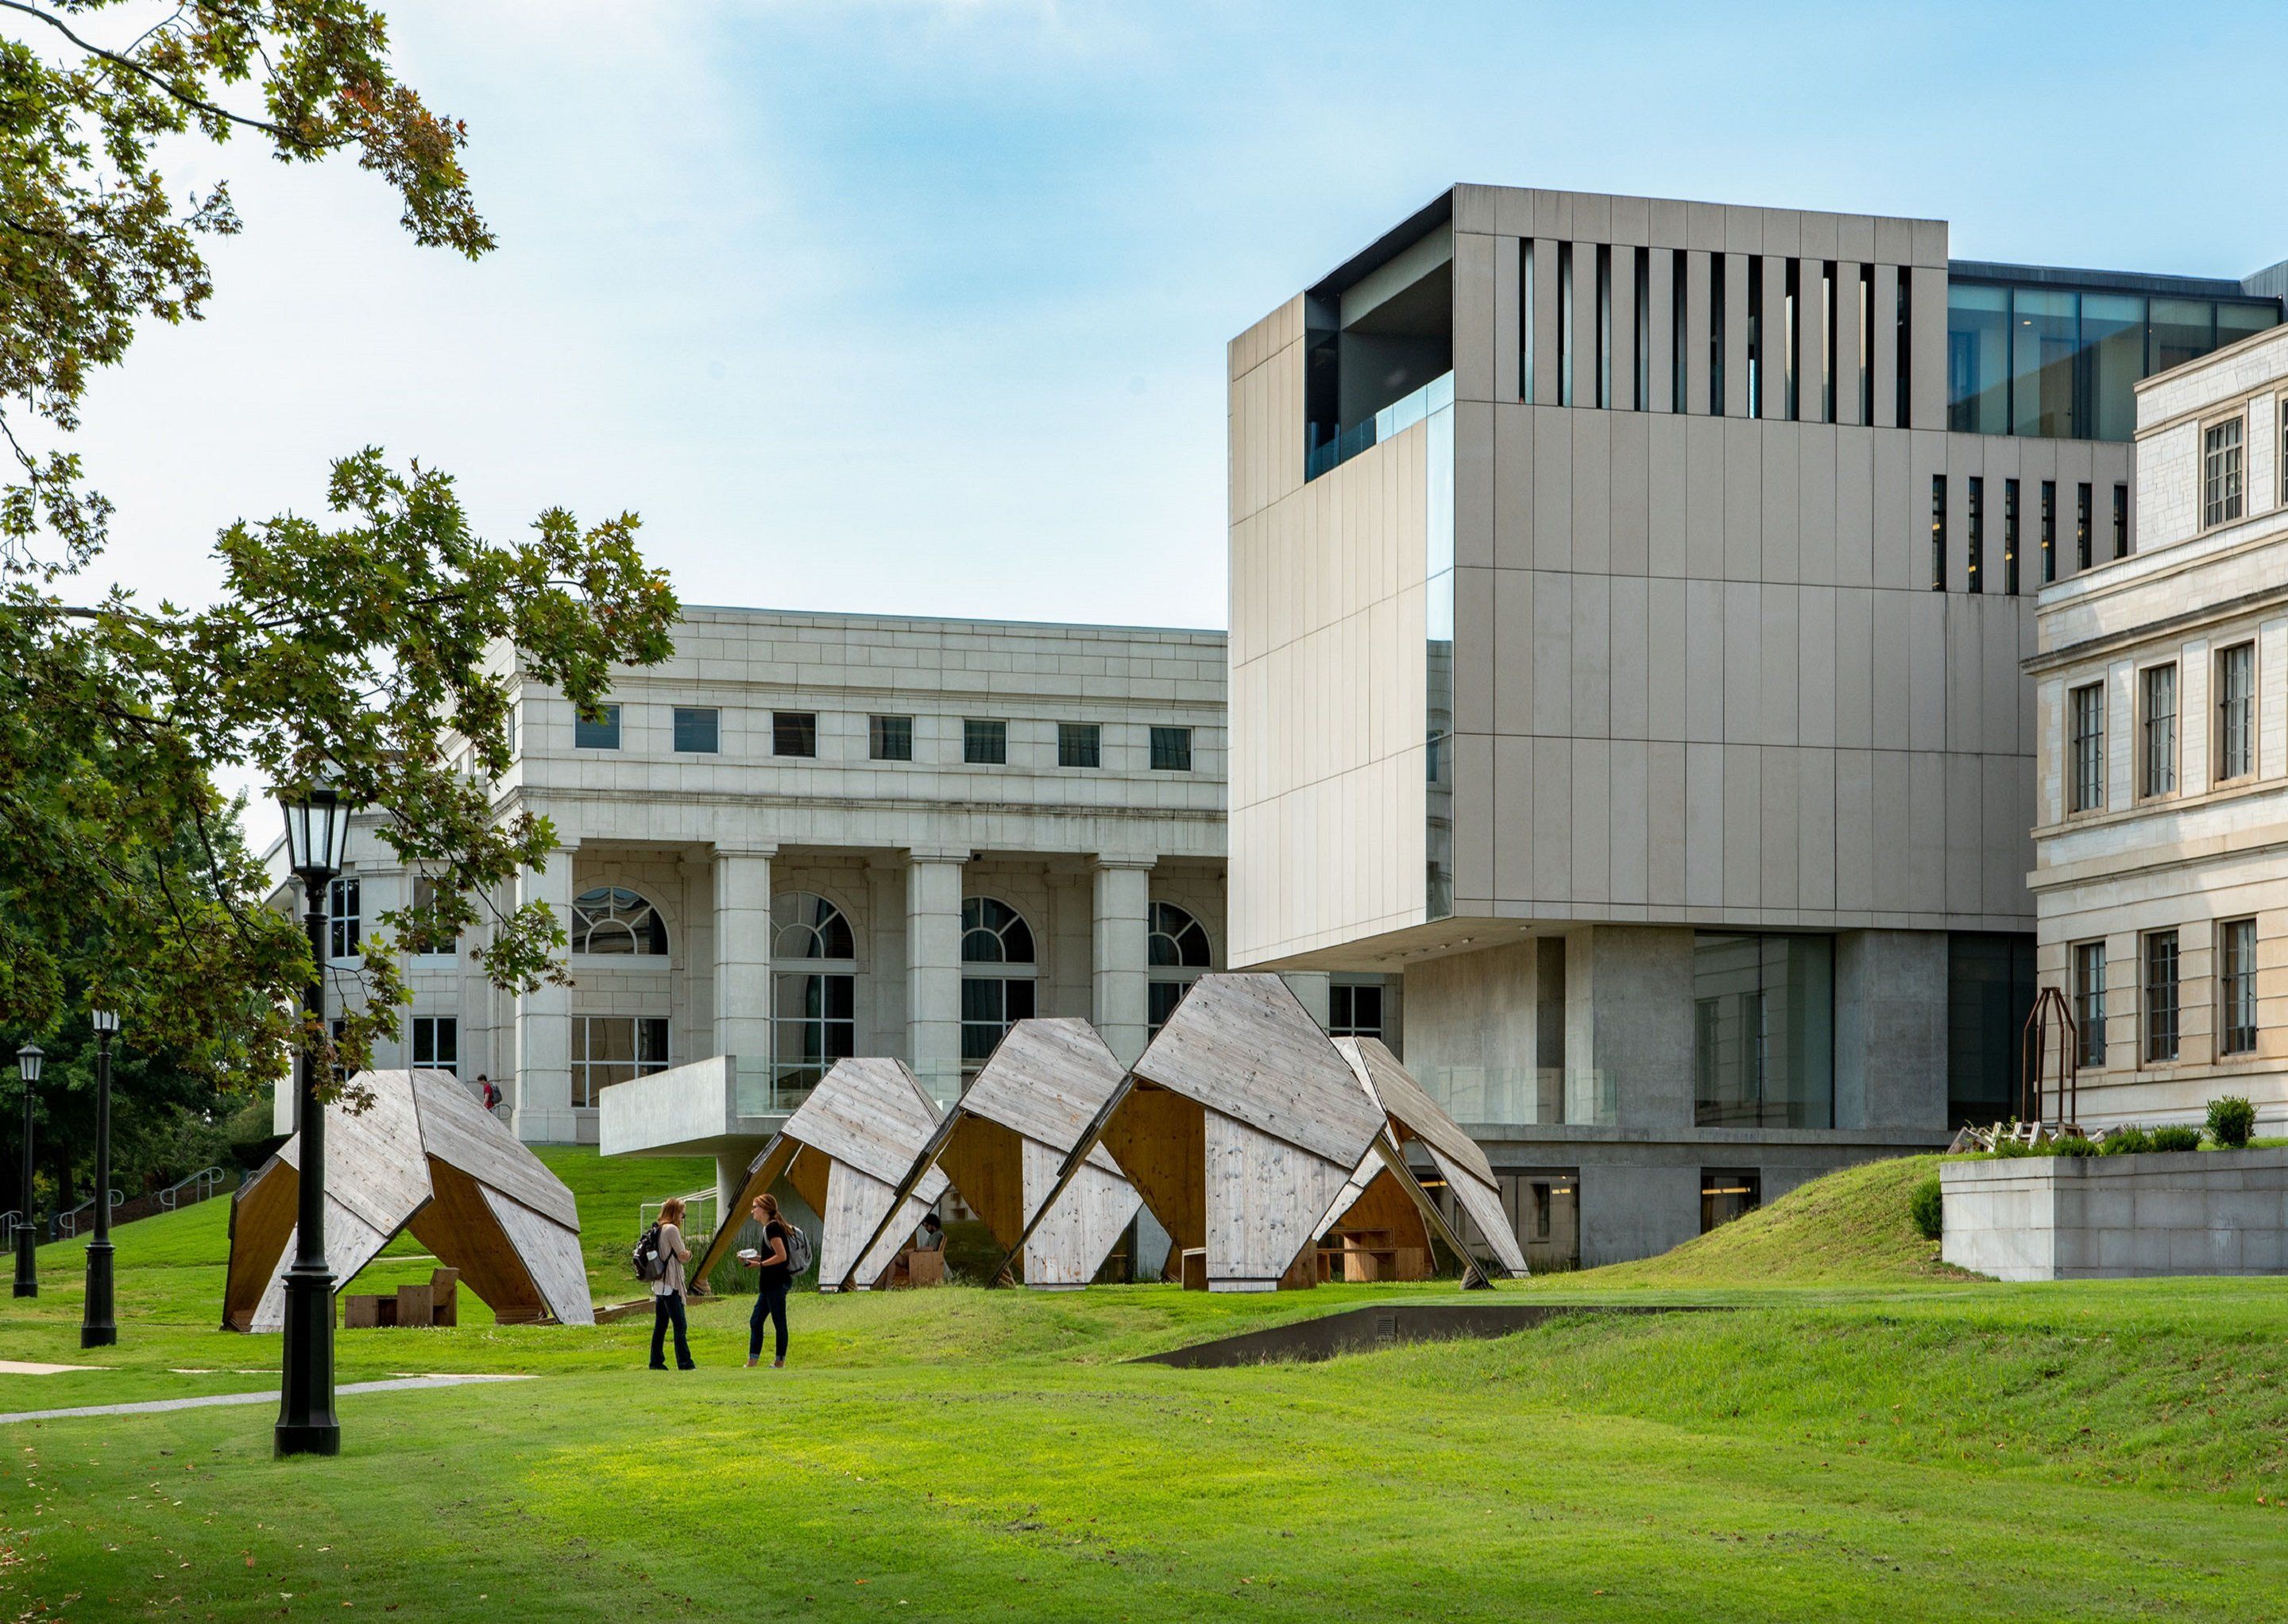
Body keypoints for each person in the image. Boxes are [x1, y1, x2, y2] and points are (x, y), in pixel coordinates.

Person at [740, 1193, 793, 1369]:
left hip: (776, 1283)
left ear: (764, 1209)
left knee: (779, 1321)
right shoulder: (770, 1228)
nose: (752, 1211)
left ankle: (779, 1362)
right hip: (769, 1284)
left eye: (755, 1207)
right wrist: (755, 1259)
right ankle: (752, 1362)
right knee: (756, 1321)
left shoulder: (772, 1228)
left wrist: (759, 1264)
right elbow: (774, 1255)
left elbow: (782, 1256)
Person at [648, 1196, 695, 1371]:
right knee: (680, 1324)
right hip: (671, 1283)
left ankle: (656, 1361)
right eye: (683, 1215)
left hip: (659, 1283)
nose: (683, 1218)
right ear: (676, 1213)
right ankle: (685, 1362)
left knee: (660, 1325)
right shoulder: (671, 1230)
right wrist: (690, 1254)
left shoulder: (658, 1229)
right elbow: (682, 1255)